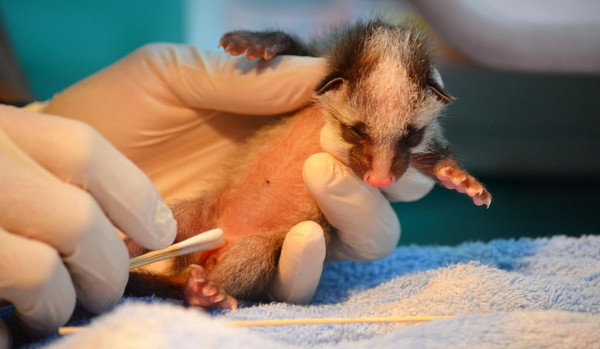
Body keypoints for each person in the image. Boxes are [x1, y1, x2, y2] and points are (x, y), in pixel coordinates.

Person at [0, 44, 435, 338]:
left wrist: (28, 116)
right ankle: (124, 264)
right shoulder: (331, 79)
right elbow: (298, 48)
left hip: (265, 235)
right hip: (218, 202)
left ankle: (198, 291)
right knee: (161, 222)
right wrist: (268, 46)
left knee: (250, 257)